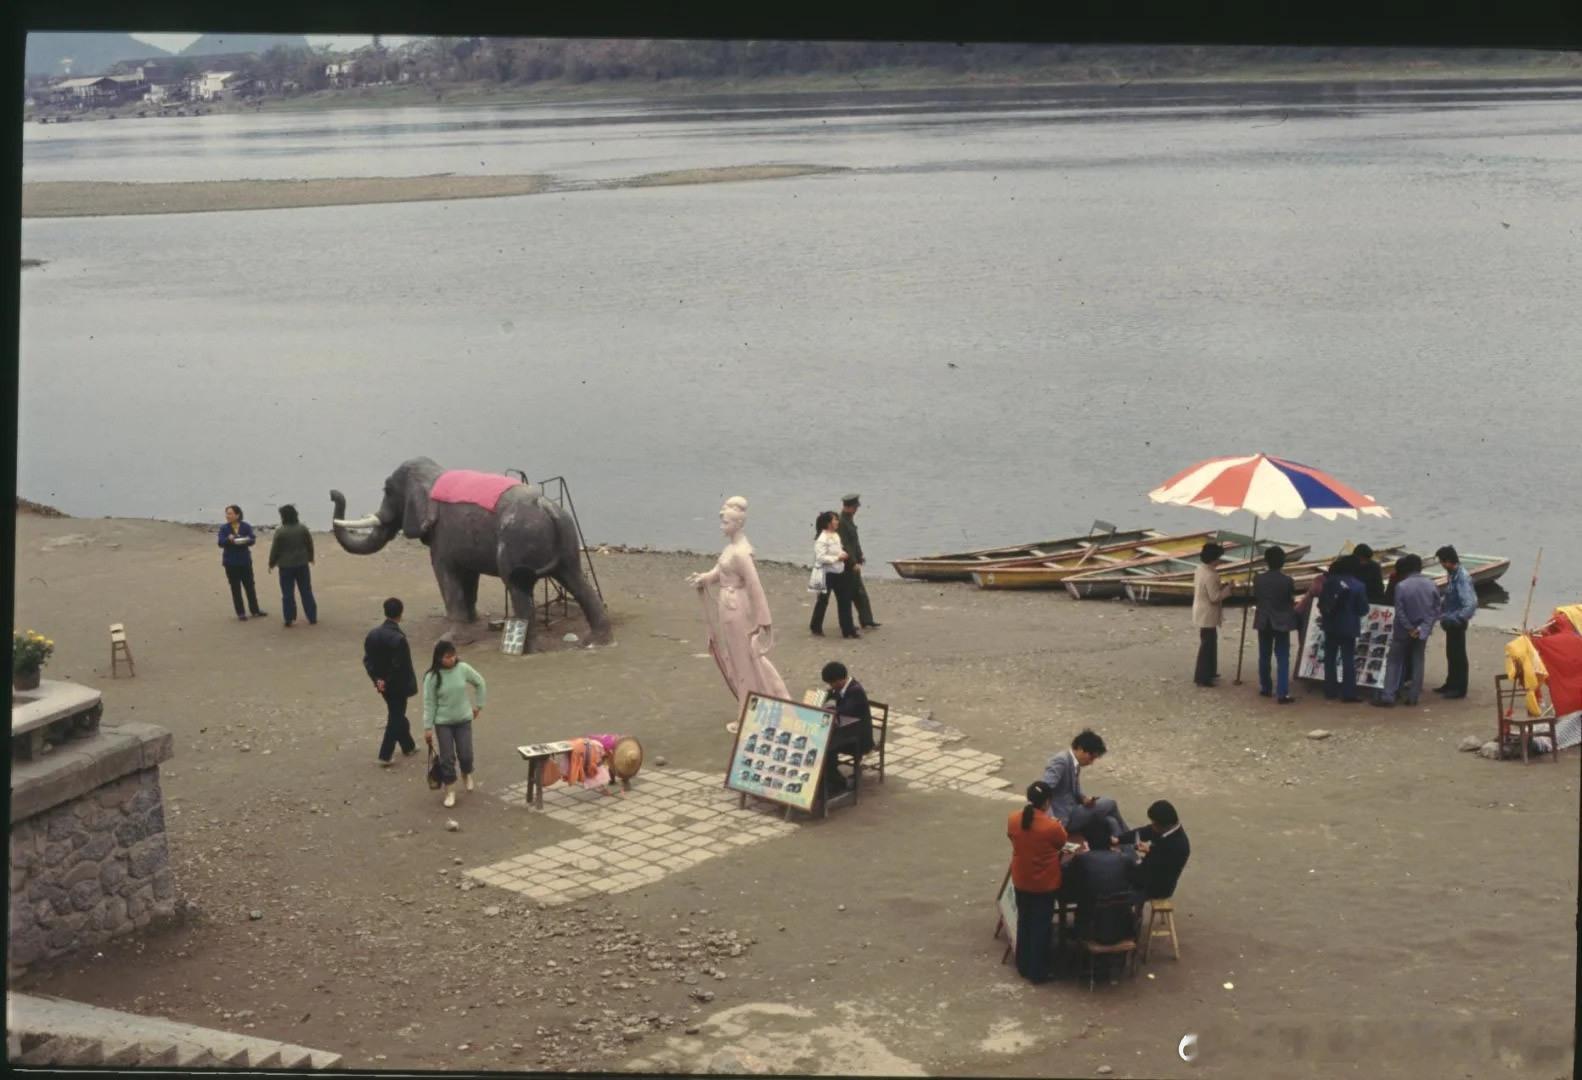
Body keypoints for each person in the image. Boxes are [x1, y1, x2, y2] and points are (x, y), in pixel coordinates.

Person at [688, 497, 790, 719]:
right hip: (727, 605)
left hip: (737, 608)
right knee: (737, 659)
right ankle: (749, 707)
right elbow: (719, 572)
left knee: (745, 660)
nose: (722, 526)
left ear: (738, 523)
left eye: (726, 522)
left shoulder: (741, 553)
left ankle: (752, 709)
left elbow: (754, 585)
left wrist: (763, 620)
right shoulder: (730, 549)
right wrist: (704, 578)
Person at [1006, 781, 1067, 984]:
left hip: (1021, 879)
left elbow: (1013, 838)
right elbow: (1061, 842)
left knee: (1024, 921)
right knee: (1041, 927)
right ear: (1047, 802)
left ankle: (1023, 964)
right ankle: (1038, 971)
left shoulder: (1013, 819)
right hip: (1043, 884)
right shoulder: (1052, 827)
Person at [422, 639, 487, 808]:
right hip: (443, 722)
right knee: (447, 757)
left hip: (463, 719)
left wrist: (478, 705)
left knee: (466, 754)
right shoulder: (431, 677)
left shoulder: (463, 668)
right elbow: (429, 703)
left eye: (453, 655)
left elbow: (480, 682)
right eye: (447, 657)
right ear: (439, 658)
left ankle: (466, 773)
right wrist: (428, 727)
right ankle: (450, 789)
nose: (451, 659)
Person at [1373, 554, 1441, 708]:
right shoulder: (1431, 585)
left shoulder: (1402, 586)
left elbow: (1400, 611)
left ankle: (1389, 695)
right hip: (1422, 630)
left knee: (1394, 661)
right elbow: (1436, 610)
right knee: (1418, 660)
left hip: (1403, 630)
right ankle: (1413, 696)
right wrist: (1423, 627)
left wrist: (1410, 628)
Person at [1041, 729, 1128, 840]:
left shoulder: (1074, 763)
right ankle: (1132, 838)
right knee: (1110, 803)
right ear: (1081, 749)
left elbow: (1073, 789)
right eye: (1091, 758)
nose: (1091, 762)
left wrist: (1084, 799)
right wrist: (1052, 821)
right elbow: (1044, 791)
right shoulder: (1061, 761)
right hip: (1063, 817)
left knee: (1111, 821)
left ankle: (1129, 845)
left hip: (1072, 810)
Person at [1062, 819, 1139, 943]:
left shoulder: (1082, 859)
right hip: (1123, 927)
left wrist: (1081, 856)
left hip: (1089, 928)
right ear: (1111, 839)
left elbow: (1068, 879)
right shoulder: (1125, 859)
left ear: (1087, 842)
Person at [364, 597, 418, 766]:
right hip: (397, 685)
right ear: (400, 614)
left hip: (382, 684)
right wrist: (386, 680)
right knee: (396, 716)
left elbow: (368, 660)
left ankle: (408, 745)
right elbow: (400, 666)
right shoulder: (398, 639)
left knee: (396, 713)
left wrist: (377, 679)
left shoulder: (373, 634)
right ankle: (385, 754)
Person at [1115, 799, 1191, 902]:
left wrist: (1122, 865)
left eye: (1153, 823)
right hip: (1149, 868)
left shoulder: (1176, 846)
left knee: (1114, 869)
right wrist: (1119, 839)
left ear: (1162, 825)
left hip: (1155, 888)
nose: (1152, 826)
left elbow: (1148, 875)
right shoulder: (1167, 830)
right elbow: (1144, 832)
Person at [1318, 554, 1370, 702]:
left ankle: (1330, 690)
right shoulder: (1359, 585)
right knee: (1348, 658)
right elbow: (1363, 609)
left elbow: (1322, 603)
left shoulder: (1330, 582)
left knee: (1330, 657)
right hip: (1349, 625)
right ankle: (1348, 693)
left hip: (1330, 624)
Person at [819, 661, 874, 795]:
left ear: (840, 680)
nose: (831, 686)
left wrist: (831, 709)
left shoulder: (856, 691)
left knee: (827, 751)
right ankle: (830, 780)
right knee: (826, 748)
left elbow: (845, 711)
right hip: (847, 733)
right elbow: (828, 695)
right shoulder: (840, 689)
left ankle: (838, 783)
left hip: (859, 738)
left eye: (832, 683)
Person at [1253, 546, 1299, 704]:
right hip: (1281, 621)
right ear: (1283, 562)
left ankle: (1265, 687)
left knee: (1264, 655)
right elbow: (1289, 599)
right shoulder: (1287, 581)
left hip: (1263, 620)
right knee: (1283, 656)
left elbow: (1257, 597)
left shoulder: (1258, 579)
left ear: (1267, 561)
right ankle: (1282, 692)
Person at [1435, 545, 1477, 699]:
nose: (1441, 565)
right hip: (1450, 618)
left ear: (1448, 561)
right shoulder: (1452, 575)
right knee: (1451, 653)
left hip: (1457, 620)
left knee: (1458, 655)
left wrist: (1458, 618)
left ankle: (1459, 688)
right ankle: (1451, 683)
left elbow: (1470, 603)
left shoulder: (1462, 577)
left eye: (1442, 562)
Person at [267, 503, 317, 627]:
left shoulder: (280, 531)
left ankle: (289, 618)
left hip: (285, 566)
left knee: (287, 593)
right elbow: (309, 544)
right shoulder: (302, 528)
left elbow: (275, 549)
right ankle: (312, 616)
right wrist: (311, 557)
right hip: (302, 564)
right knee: (306, 591)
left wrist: (271, 563)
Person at [1191, 541, 1233, 686]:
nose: (1219, 561)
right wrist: (1227, 590)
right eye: (1218, 558)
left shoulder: (1200, 569)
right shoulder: (1211, 574)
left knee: (1210, 642)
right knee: (1207, 645)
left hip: (1200, 609)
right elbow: (1214, 597)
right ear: (1213, 559)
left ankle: (1210, 671)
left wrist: (1221, 587)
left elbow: (1208, 589)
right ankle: (1202, 677)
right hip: (1207, 613)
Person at [809, 511, 855, 638]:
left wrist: (843, 554)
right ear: (828, 523)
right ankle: (815, 627)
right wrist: (837, 558)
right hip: (826, 574)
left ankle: (848, 630)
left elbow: (837, 550)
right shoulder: (822, 539)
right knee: (822, 602)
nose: (837, 522)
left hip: (839, 572)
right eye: (835, 519)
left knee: (845, 601)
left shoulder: (836, 535)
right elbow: (820, 558)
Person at [837, 494, 880, 630]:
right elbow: (844, 545)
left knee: (859, 592)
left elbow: (854, 541)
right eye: (855, 507)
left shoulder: (848, 520)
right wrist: (853, 562)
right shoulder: (842, 522)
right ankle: (850, 624)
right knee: (849, 594)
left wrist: (860, 555)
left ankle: (867, 620)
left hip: (854, 561)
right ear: (849, 507)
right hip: (847, 564)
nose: (856, 510)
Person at [217, 504, 267, 621]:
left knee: (250, 586)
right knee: (235, 588)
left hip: (245, 561)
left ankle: (255, 610)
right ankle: (241, 613)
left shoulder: (246, 526)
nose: (227, 516)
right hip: (230, 562)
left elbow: (252, 540)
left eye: (230, 513)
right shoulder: (224, 528)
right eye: (227, 514)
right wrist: (228, 539)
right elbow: (220, 543)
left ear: (237, 515)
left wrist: (246, 540)